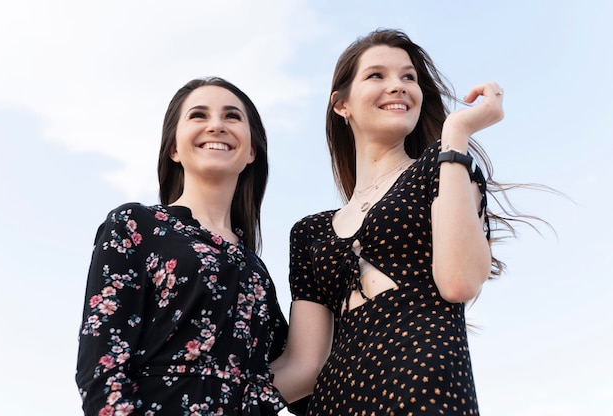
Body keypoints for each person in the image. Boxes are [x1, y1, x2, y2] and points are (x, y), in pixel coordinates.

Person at [271, 28, 525, 415]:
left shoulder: (443, 169)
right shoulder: (310, 231)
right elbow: (302, 367)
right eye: (377, 75)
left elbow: (459, 283)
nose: (399, 86)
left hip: (425, 392)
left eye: (409, 77)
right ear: (341, 105)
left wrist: (455, 134)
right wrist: (206, 396)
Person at [76, 77, 290, 415]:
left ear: (251, 152)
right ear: (173, 147)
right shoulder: (135, 226)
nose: (217, 125)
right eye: (199, 115)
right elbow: (103, 370)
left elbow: (297, 371)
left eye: (232, 116)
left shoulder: (256, 273)